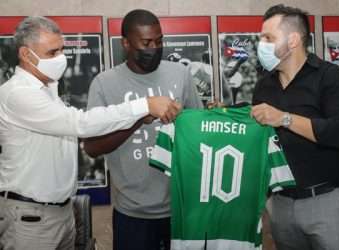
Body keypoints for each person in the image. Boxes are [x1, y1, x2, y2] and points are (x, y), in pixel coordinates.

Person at [0, 16, 180, 250]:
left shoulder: (48, 90)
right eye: (52, 52)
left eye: (62, 50)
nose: (60, 58)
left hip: (60, 213)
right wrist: (143, 105)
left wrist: (137, 118)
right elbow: (81, 124)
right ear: (26, 54)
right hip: (30, 218)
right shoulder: (18, 94)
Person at [83, 9, 202, 250]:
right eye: (146, 43)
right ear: (126, 43)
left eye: (159, 41)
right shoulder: (105, 84)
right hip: (132, 212)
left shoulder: (180, 74)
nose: (154, 48)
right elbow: (92, 148)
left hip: (180, 206)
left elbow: (199, 130)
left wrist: (210, 116)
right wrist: (139, 118)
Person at [251, 4, 339, 250]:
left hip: (327, 202)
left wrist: (285, 118)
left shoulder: (330, 76)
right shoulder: (263, 86)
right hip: (280, 204)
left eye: (268, 37)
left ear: (293, 40)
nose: (261, 44)